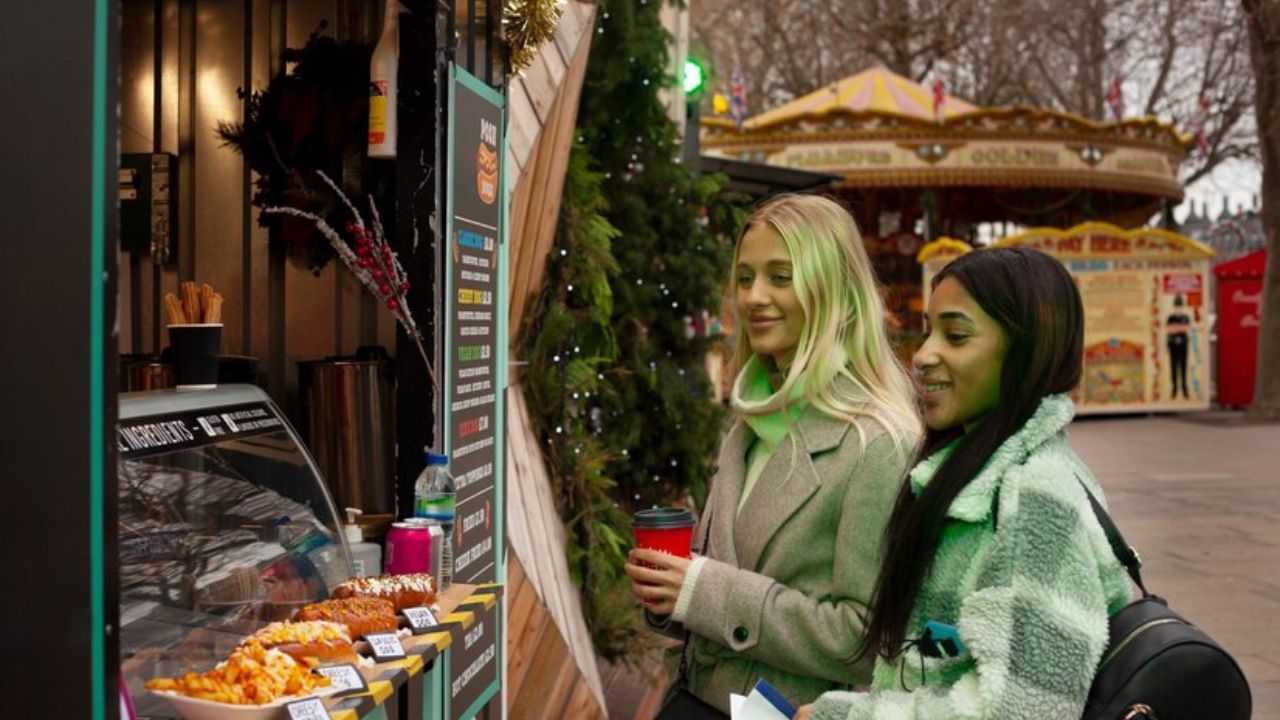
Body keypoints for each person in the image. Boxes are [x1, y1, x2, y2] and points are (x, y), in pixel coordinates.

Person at [797, 247, 1133, 720]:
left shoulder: (1036, 495)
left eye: (955, 336)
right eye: (929, 330)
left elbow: (1027, 709)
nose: (923, 355)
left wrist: (849, 716)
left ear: (1027, 350)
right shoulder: (969, 475)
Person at [623, 194, 922, 713]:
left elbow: (863, 640)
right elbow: (723, 579)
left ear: (833, 288)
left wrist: (704, 589)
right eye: (745, 277)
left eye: (781, 277)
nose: (754, 296)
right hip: (691, 698)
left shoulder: (876, 442)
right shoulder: (750, 418)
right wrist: (670, 593)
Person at [1166, 294, 1191, 399]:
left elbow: (1186, 331)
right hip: (1173, 347)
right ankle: (1175, 388)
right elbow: (1169, 332)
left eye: (1180, 306)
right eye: (1177, 306)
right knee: (1174, 368)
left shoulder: (1186, 318)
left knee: (1183, 368)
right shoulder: (1170, 318)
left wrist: (1177, 331)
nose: (1178, 309)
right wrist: (1177, 331)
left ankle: (1184, 388)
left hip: (1183, 347)